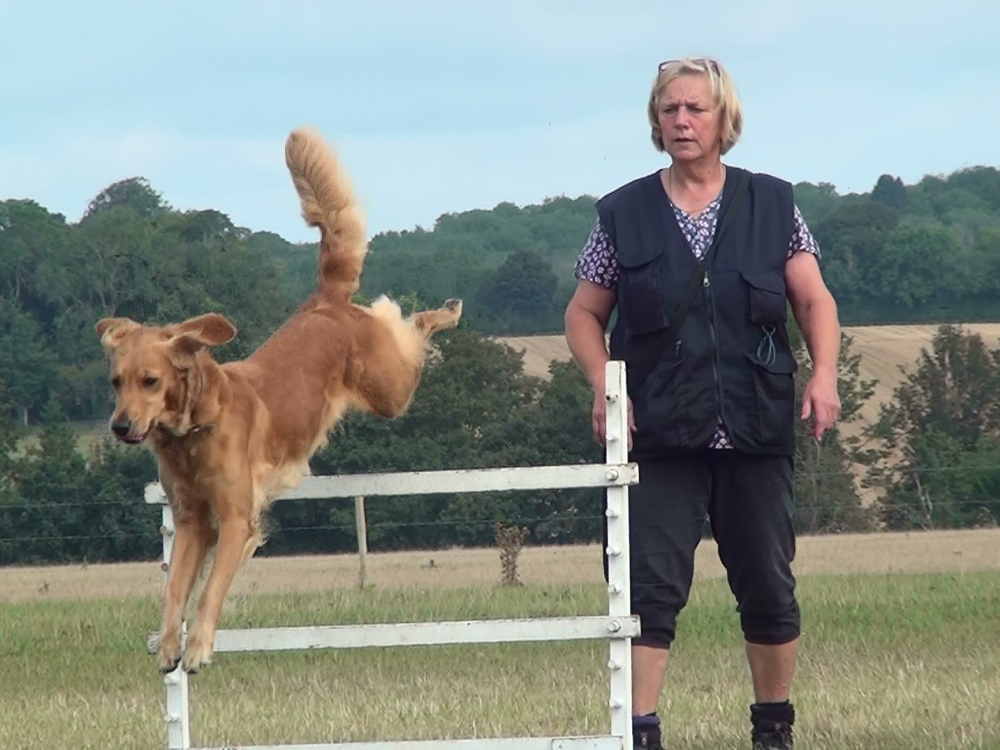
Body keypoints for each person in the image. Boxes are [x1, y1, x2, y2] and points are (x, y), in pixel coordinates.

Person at [563, 57, 842, 750]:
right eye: (670, 110)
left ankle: (772, 729)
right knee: (646, 595)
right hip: (657, 437)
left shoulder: (772, 203)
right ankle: (641, 733)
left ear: (724, 120)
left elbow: (813, 300)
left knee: (770, 589)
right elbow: (582, 316)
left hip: (755, 428)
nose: (682, 122)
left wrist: (824, 373)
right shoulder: (622, 214)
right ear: (655, 123)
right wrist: (604, 381)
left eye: (696, 109)